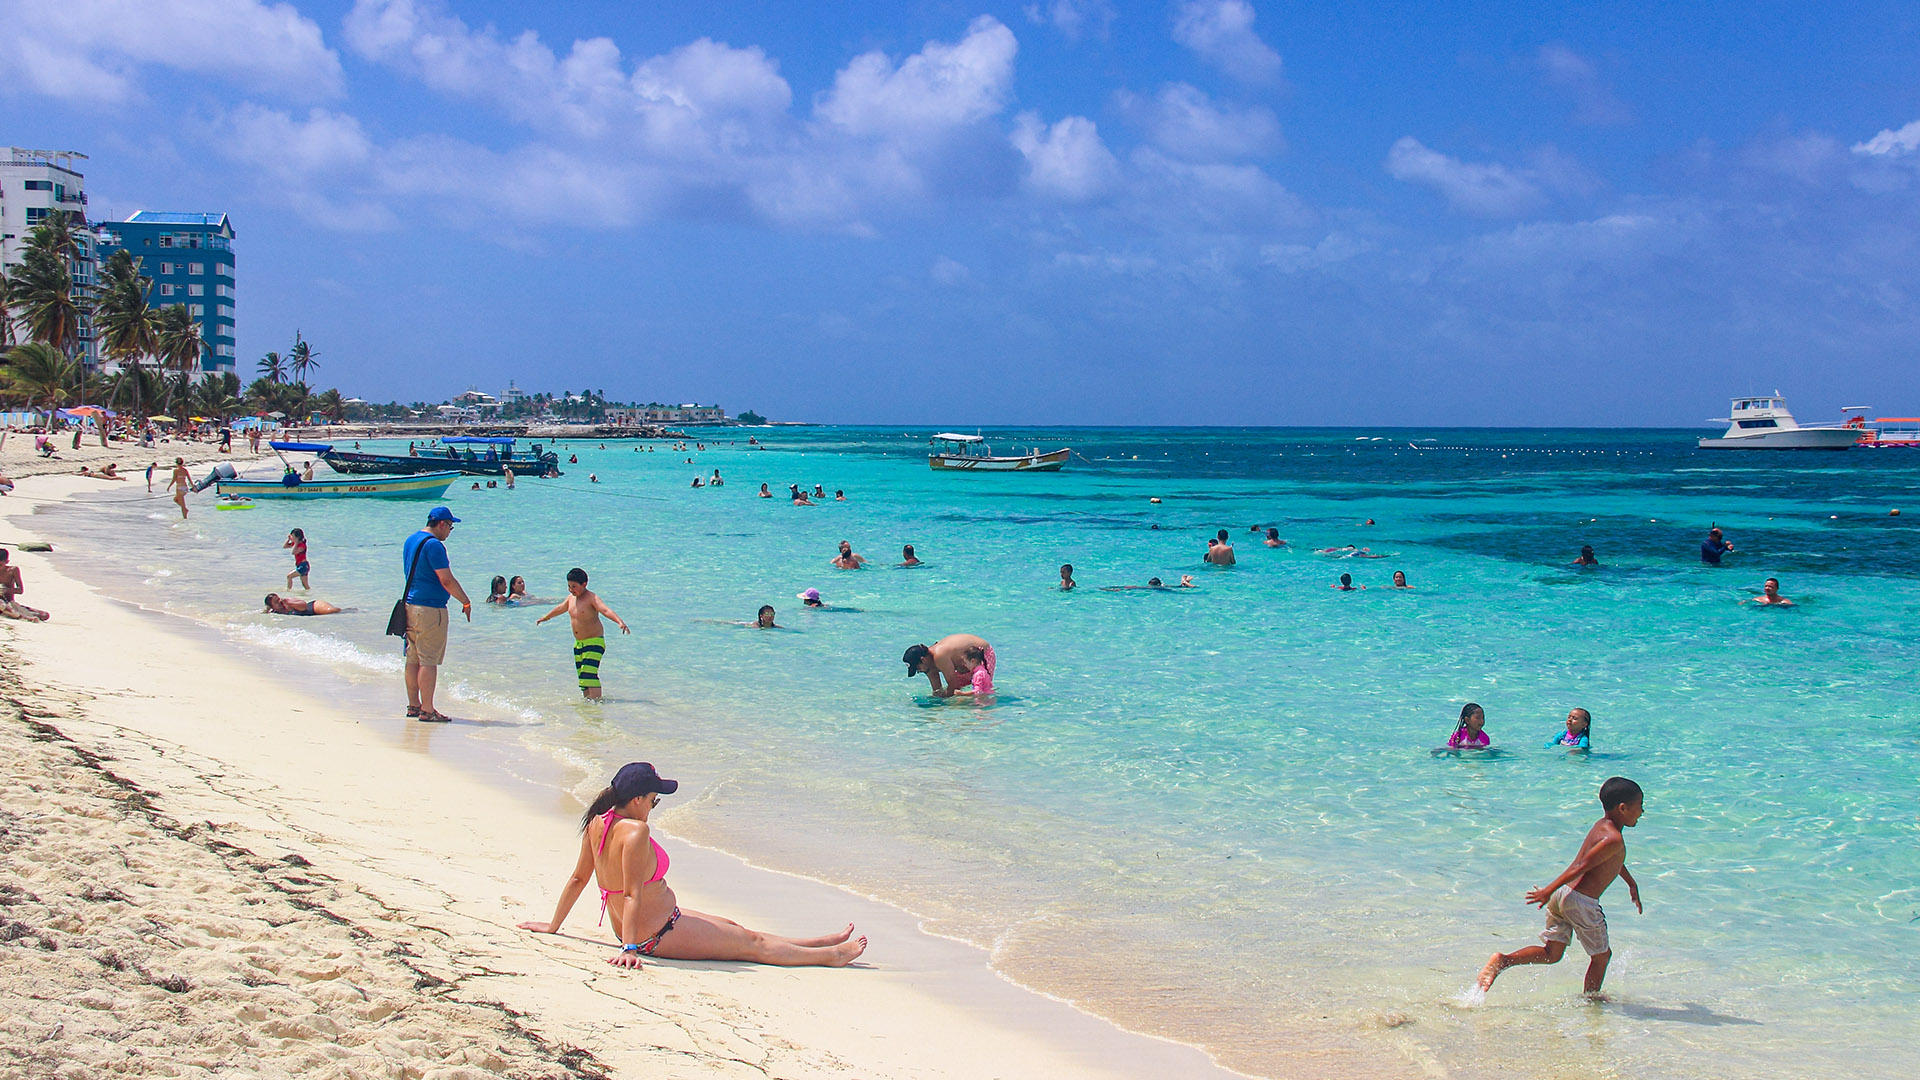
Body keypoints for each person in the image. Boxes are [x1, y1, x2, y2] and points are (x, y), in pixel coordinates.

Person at [518, 762, 867, 967]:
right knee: (751, 944)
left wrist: (554, 925)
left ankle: (815, 942)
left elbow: (579, 878)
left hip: (650, 924)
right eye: (654, 801)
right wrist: (629, 947)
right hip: (654, 934)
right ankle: (830, 956)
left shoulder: (598, 821)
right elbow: (630, 894)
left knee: (734, 926)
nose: (654, 807)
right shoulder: (636, 831)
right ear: (637, 799)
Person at [1477, 777, 1645, 995]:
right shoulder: (1614, 838)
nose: (1642, 812)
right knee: (1601, 957)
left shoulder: (1602, 827)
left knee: (1552, 954)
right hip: (1581, 902)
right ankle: (1591, 1002)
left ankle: (1503, 961)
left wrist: (1631, 883)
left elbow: (1609, 860)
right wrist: (1547, 889)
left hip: (1563, 896)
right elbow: (1582, 865)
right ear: (1623, 808)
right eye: (1640, 806)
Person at [402, 507, 472, 723]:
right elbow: (446, 580)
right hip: (430, 609)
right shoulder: (435, 546)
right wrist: (465, 601)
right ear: (442, 524)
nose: (450, 532)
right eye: (450, 527)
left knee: (413, 658)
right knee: (428, 660)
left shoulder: (411, 540)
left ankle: (414, 705)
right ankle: (428, 709)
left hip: (410, 606)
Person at [536, 568, 631, 700]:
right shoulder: (570, 599)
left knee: (589, 673)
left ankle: (597, 702)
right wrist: (546, 617)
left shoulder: (591, 598)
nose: (571, 589)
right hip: (579, 644)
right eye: (569, 586)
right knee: (582, 676)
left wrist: (619, 622)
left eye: (574, 586)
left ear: (584, 584)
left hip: (594, 642)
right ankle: (588, 704)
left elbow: (605, 610)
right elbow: (559, 608)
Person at [902, 633, 992, 697]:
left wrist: (947, 698)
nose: (918, 671)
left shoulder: (939, 656)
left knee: (981, 692)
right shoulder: (927, 665)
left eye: (917, 668)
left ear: (923, 660)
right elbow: (937, 691)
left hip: (981, 654)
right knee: (960, 694)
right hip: (966, 663)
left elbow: (953, 686)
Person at [0, 548, 50, 621]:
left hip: (9, 603)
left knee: (44, 615)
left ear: (7, 562)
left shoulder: (13, 570)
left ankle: (14, 613)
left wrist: (7, 590)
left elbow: (20, 590)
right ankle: (22, 617)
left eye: (0, 565)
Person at [264, 593, 341, 616]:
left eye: (278, 599)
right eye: (276, 602)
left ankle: (350, 611)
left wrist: (289, 603)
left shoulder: (287, 601)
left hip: (313, 607)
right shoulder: (275, 612)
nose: (279, 602)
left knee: (331, 611)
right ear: (273, 607)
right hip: (311, 614)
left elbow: (304, 606)